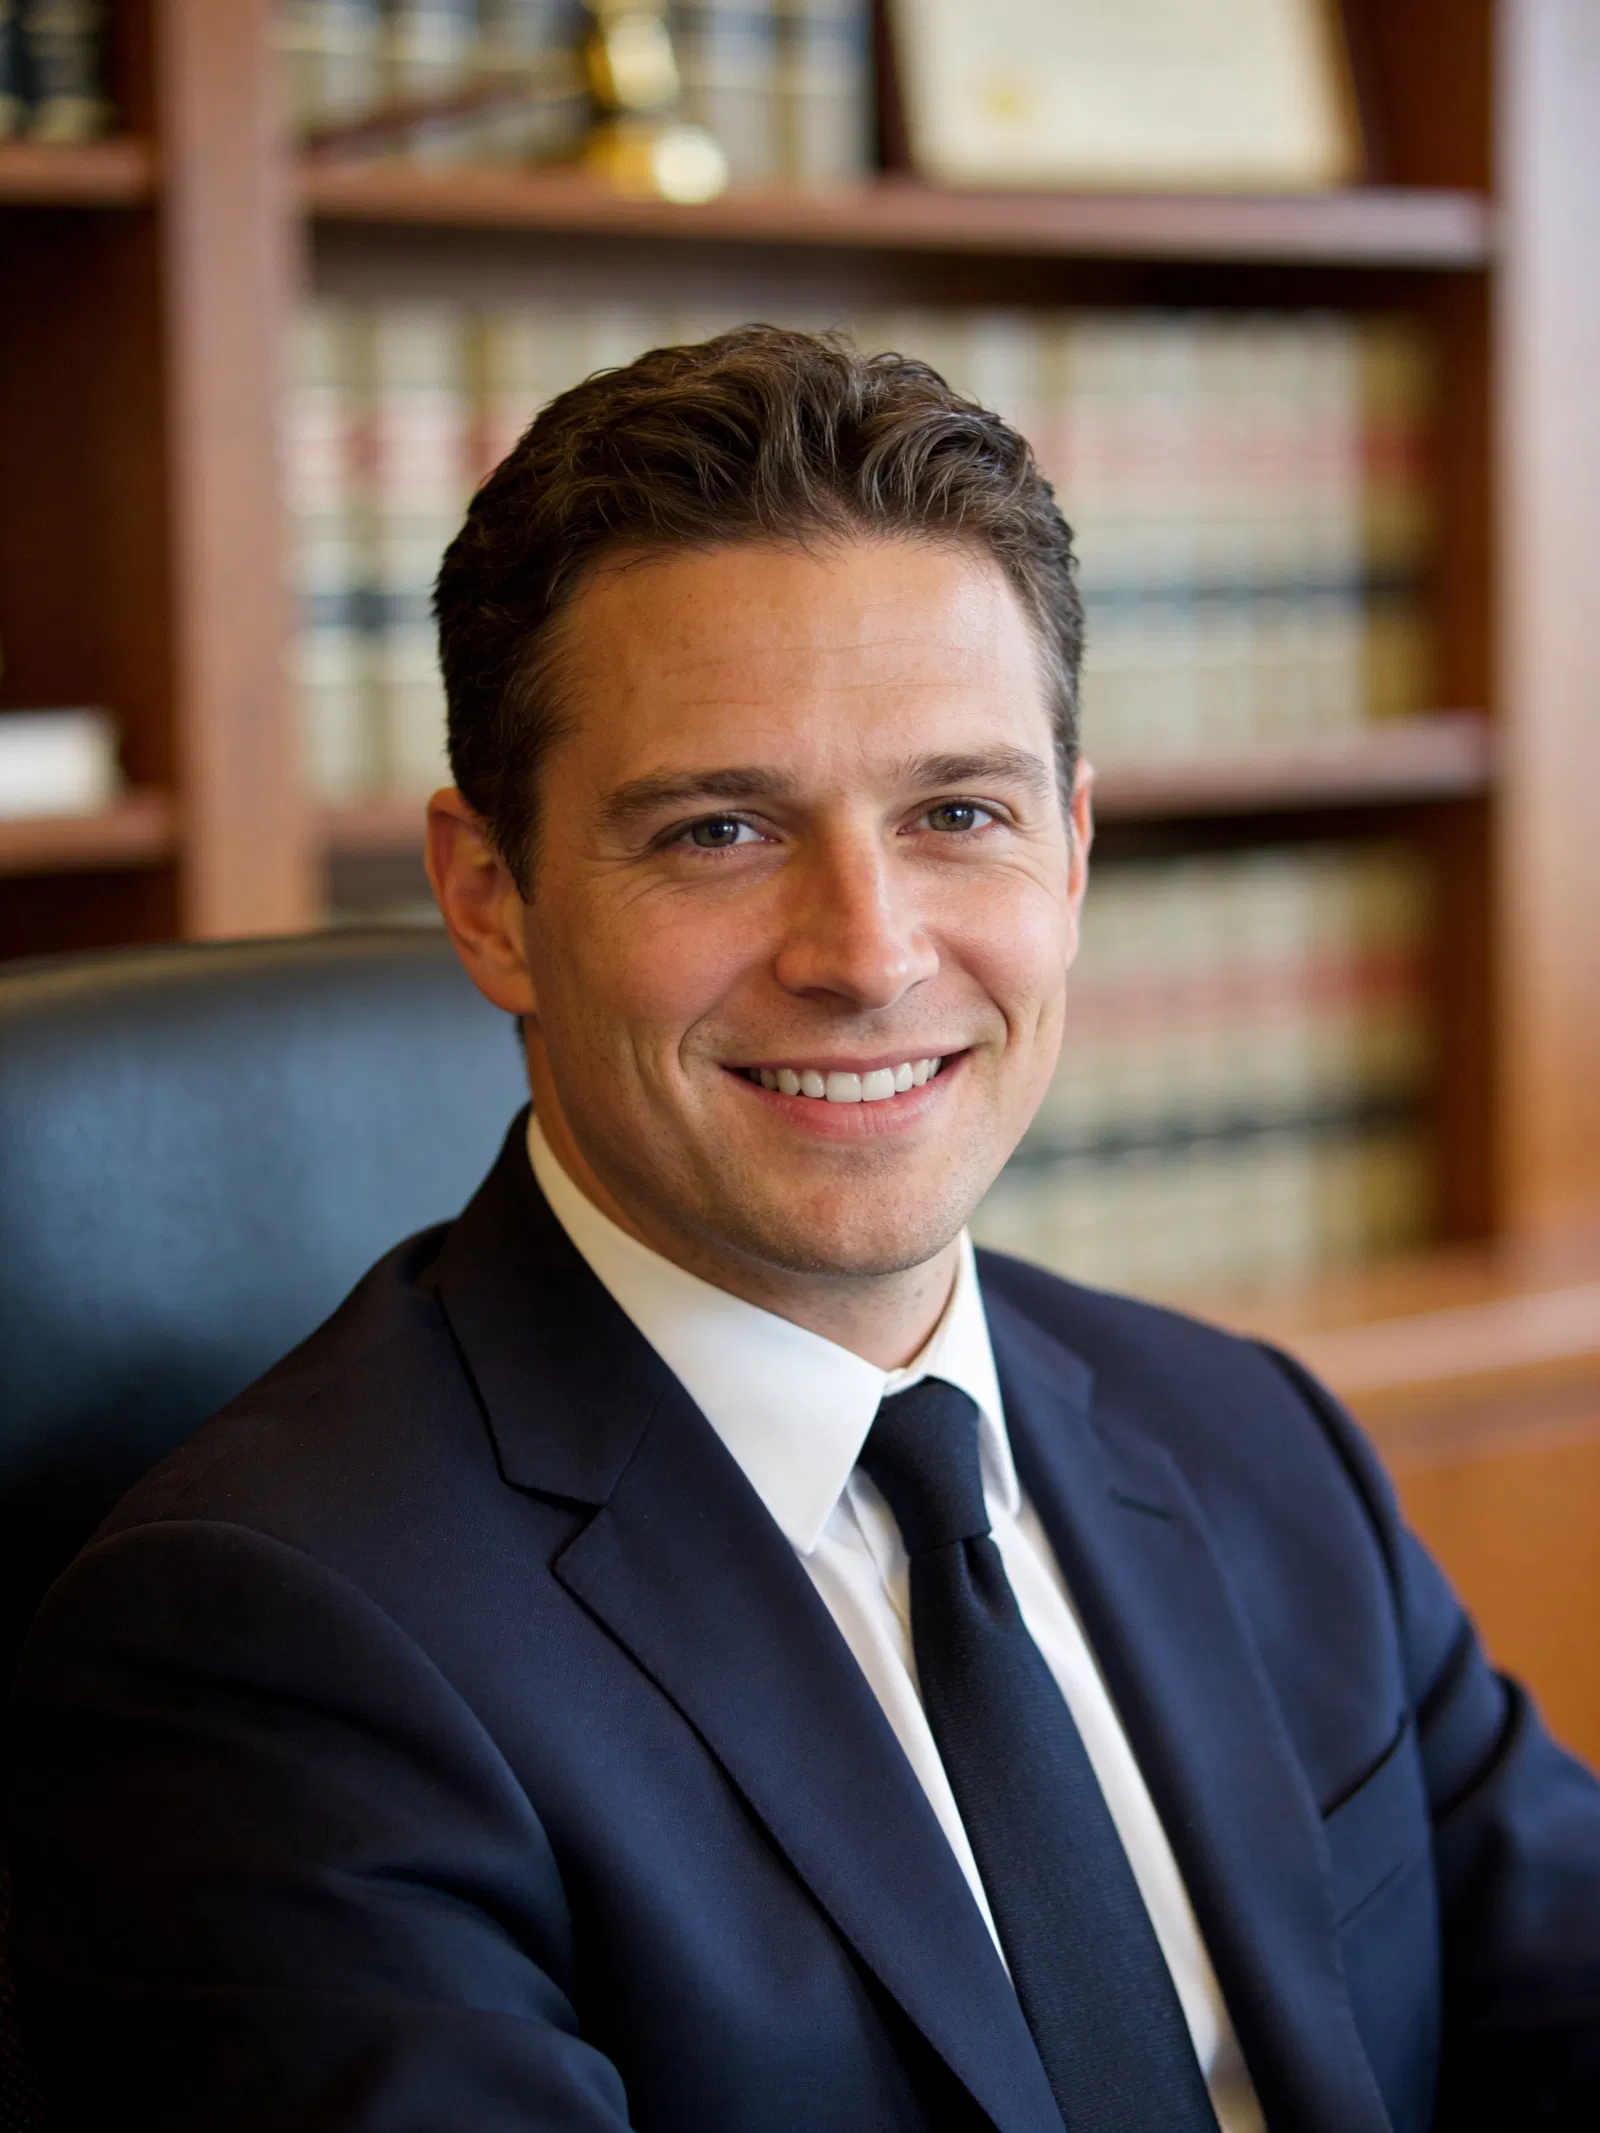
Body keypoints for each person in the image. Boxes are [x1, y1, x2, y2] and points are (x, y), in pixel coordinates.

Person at [9, 328, 1600, 2133]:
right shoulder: (270, 1650)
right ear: (491, 899)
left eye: (959, 813)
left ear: (1072, 856)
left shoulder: (1248, 1439)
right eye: (719, 830)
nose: (869, 952)